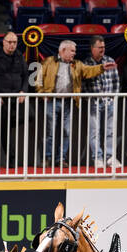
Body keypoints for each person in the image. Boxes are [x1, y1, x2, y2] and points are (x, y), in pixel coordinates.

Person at [36, 39, 104, 167]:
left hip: (69, 102)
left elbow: (88, 71)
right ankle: (47, 158)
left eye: (75, 51)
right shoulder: (48, 61)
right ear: (62, 50)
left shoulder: (77, 64)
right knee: (50, 132)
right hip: (51, 101)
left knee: (67, 132)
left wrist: (101, 68)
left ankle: (61, 159)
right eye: (72, 51)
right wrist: (42, 94)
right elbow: (37, 79)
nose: (74, 53)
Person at [0, 31, 28, 170]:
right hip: (2, 98)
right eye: (9, 42)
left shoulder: (19, 56)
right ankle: (11, 160)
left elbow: (25, 76)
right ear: (3, 42)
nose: (12, 45)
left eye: (15, 42)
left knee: (30, 115)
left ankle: (9, 123)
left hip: (17, 97)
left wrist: (24, 91)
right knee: (5, 131)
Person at [84, 36, 121, 169]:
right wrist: (89, 97)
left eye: (104, 47)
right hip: (94, 102)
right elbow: (83, 83)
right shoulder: (87, 63)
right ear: (92, 48)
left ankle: (110, 157)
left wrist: (113, 97)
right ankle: (97, 157)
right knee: (94, 131)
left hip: (109, 101)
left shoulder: (110, 60)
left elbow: (116, 81)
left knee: (110, 130)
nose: (102, 50)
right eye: (100, 47)